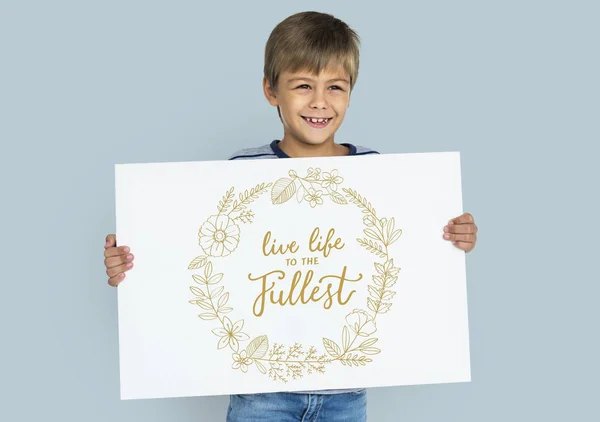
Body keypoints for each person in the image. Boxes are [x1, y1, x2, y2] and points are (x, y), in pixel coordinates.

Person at [103, 10, 478, 422]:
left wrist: (452, 238)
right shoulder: (237, 174)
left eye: (335, 87)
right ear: (271, 90)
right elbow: (199, 260)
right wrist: (134, 265)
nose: (320, 101)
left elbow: (404, 262)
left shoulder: (378, 175)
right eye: (303, 86)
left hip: (347, 395)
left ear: (351, 93)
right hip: (261, 396)